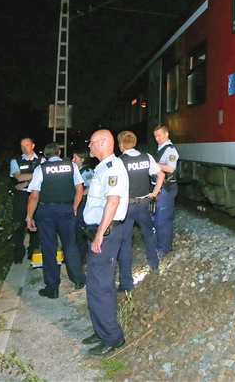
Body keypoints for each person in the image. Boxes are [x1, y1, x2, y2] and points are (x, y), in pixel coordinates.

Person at [79, 129, 130, 356]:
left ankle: (112, 338)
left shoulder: (113, 169)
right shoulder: (102, 168)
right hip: (100, 233)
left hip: (105, 234)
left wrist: (100, 234)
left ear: (102, 142)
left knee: (100, 286)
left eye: (92, 142)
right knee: (97, 284)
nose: (89, 146)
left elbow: (113, 202)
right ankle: (100, 330)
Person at [26, 142, 86, 299]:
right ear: (59, 152)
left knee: (49, 248)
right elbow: (80, 189)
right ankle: (78, 279)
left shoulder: (41, 169)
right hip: (66, 209)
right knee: (70, 244)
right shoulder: (71, 166)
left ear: (46, 155)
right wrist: (74, 207)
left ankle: (52, 288)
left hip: (46, 210)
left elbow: (34, 196)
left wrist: (29, 217)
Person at [115, 131, 165, 291]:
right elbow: (161, 174)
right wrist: (154, 193)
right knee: (148, 234)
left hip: (127, 206)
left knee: (125, 242)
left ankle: (126, 283)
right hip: (144, 204)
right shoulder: (147, 157)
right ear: (135, 143)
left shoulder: (119, 162)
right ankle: (154, 265)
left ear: (121, 145)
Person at [9, 137, 43, 263]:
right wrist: (36, 176)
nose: (24, 148)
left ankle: (33, 252)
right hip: (21, 196)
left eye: (27, 145)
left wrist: (27, 181)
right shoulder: (15, 160)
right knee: (19, 226)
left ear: (33, 146)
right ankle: (18, 254)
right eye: (22, 145)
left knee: (36, 225)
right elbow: (18, 177)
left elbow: (45, 176)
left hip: (37, 195)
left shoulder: (41, 159)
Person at [152, 124, 179, 258]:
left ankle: (164, 248)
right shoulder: (160, 149)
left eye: (160, 135)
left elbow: (171, 168)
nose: (157, 138)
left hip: (166, 188)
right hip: (158, 187)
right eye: (156, 136)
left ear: (167, 134)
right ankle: (159, 246)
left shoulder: (170, 150)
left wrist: (154, 164)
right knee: (157, 218)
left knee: (163, 219)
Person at [72, 149, 94, 265]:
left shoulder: (86, 171)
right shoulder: (77, 171)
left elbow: (91, 186)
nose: (73, 160)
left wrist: (80, 195)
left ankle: (83, 258)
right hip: (79, 203)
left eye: (75, 158)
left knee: (81, 230)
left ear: (82, 159)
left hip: (84, 204)